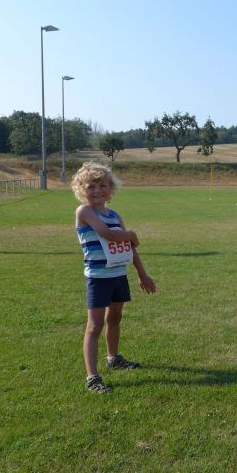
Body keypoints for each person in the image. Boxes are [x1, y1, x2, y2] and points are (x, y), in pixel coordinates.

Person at [72, 162, 156, 393]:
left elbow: (130, 247)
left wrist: (142, 274)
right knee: (94, 326)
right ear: (81, 190)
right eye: (91, 186)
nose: (97, 190)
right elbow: (107, 234)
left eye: (103, 186)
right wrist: (131, 234)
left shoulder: (115, 215)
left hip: (119, 274)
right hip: (98, 278)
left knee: (115, 318)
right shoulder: (84, 211)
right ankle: (92, 377)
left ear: (111, 189)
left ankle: (113, 358)